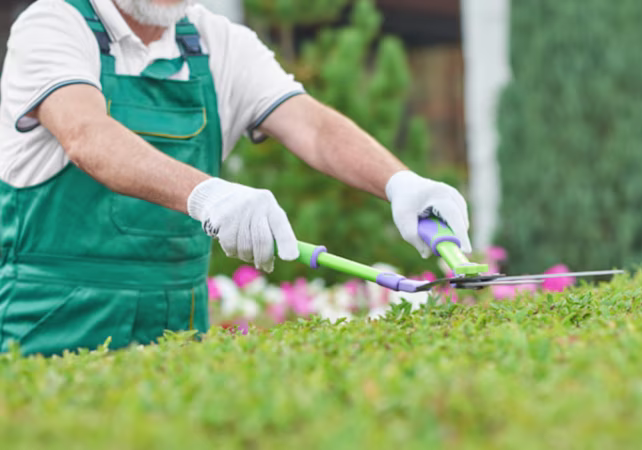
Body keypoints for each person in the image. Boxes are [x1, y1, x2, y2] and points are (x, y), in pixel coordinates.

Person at [0, 0, 472, 357]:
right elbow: (87, 135)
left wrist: (400, 182)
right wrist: (205, 194)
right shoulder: (53, 25)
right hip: (51, 319)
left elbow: (311, 126)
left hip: (177, 326)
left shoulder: (215, 42)